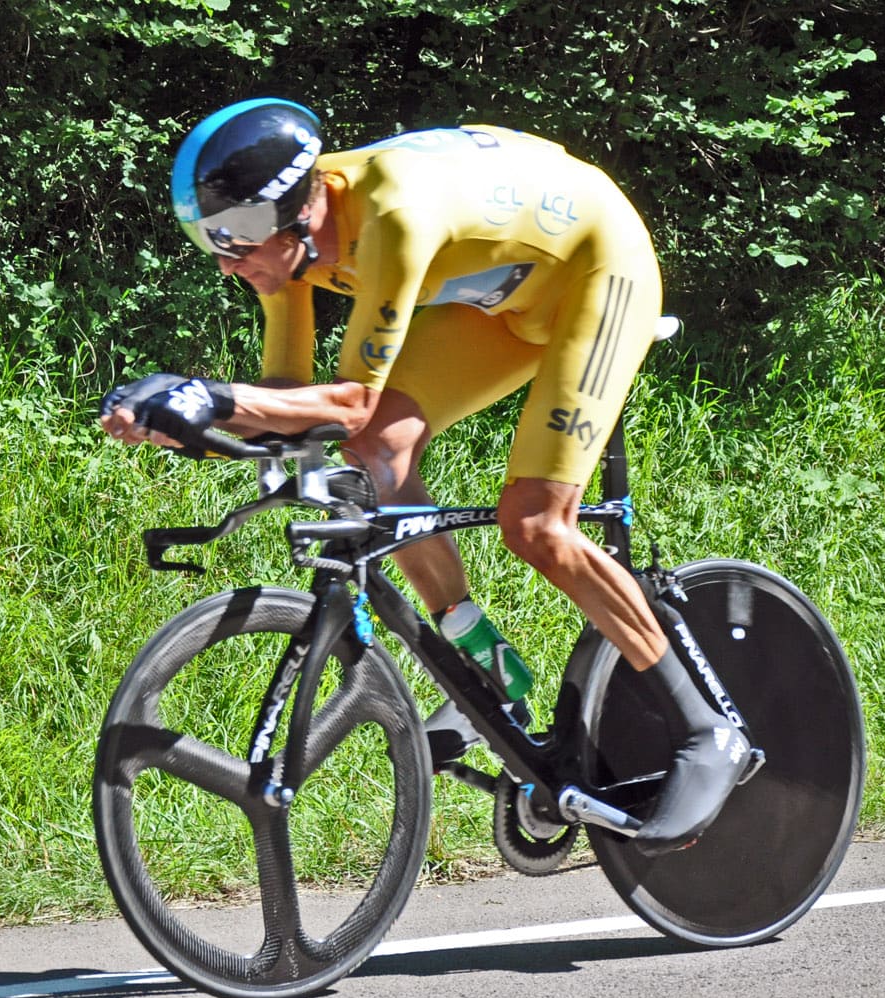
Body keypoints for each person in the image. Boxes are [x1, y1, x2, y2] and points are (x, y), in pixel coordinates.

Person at [99, 98, 751, 854]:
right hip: (503, 298)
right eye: (208, 242)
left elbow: (346, 400)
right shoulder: (291, 253)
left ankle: (707, 730)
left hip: (598, 270)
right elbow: (291, 409)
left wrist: (211, 397)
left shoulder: (392, 218)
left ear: (295, 213)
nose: (225, 262)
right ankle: (481, 659)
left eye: (234, 239)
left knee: (535, 524)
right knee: (375, 453)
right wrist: (179, 423)